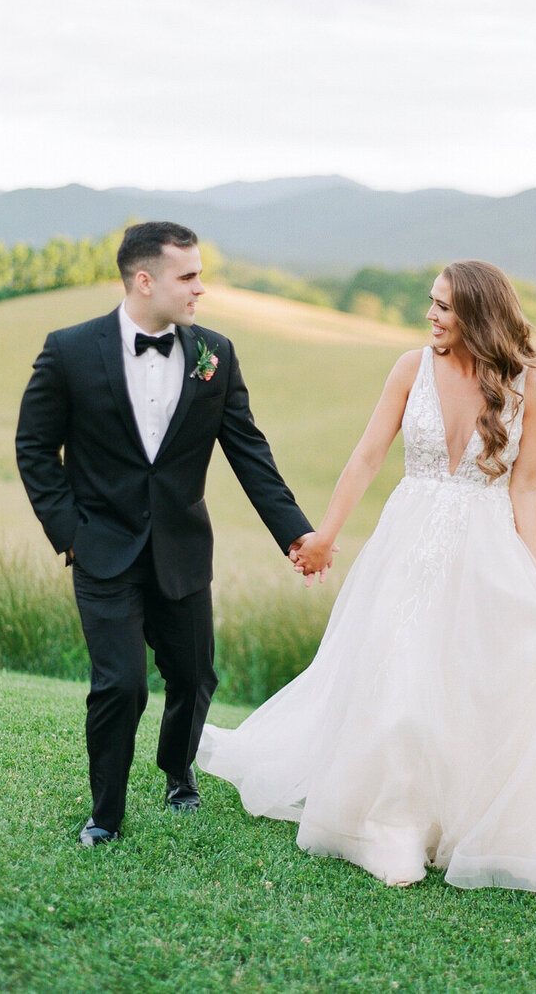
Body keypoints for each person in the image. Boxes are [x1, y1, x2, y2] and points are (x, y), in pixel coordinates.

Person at [197, 259, 536, 892]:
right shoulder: (410, 368)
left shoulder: (531, 384)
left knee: (468, 680)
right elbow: (366, 457)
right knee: (399, 677)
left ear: (478, 314)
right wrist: (325, 537)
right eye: (432, 302)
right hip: (406, 543)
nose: (431, 315)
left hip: (485, 551)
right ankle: (392, 825)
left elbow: (528, 486)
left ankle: (457, 822)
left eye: (444, 306)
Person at [16, 221, 318, 847]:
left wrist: (296, 534)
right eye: (188, 276)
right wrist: (69, 532)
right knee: (120, 684)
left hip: (182, 551)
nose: (200, 289)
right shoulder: (69, 350)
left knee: (194, 675)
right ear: (144, 279)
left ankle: (177, 770)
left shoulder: (216, 355)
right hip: (101, 548)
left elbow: (250, 454)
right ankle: (105, 814)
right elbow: (35, 448)